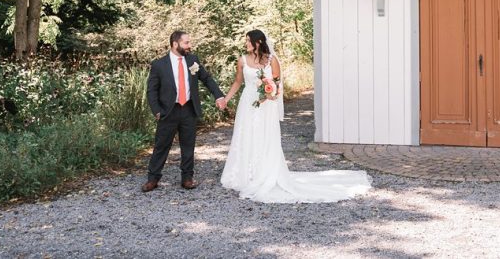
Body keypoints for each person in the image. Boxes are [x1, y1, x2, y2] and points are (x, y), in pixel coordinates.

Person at [220, 29, 371, 203]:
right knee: (245, 135)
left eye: (248, 41)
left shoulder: (272, 60)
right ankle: (244, 175)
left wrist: (271, 94)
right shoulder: (242, 60)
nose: (245, 44)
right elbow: (238, 82)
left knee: (266, 137)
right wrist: (225, 99)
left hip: (266, 104)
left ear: (258, 43)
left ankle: (265, 173)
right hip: (248, 103)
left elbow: (276, 84)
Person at [142, 30, 226, 192]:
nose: (189, 46)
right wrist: (157, 111)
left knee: (188, 145)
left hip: (188, 108)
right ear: (175, 44)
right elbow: (151, 91)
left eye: (189, 42)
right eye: (186, 43)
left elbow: (206, 78)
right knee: (161, 145)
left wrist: (219, 96)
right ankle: (153, 178)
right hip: (168, 111)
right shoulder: (159, 64)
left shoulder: (193, 60)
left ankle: (187, 178)